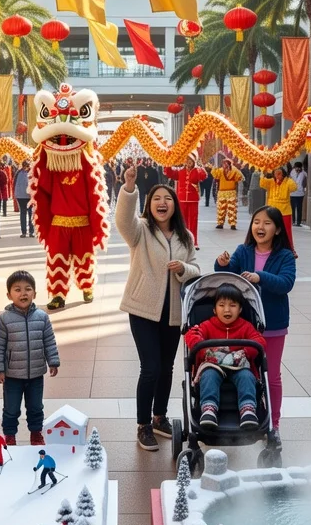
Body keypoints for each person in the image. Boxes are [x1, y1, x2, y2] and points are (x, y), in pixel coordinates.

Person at [116, 169, 200, 452]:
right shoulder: (140, 230)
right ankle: (143, 425)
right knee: (150, 368)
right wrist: (129, 189)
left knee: (166, 368)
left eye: (167, 198)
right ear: (149, 205)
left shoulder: (185, 236)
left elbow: (196, 268)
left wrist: (183, 269)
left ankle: (159, 417)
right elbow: (123, 221)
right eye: (156, 199)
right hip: (142, 309)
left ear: (175, 205)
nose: (162, 203)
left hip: (173, 313)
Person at [215, 206, 295, 434]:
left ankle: (274, 423)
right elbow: (227, 275)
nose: (260, 227)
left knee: (272, 374)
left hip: (273, 325)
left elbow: (286, 283)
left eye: (267, 223)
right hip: (244, 324)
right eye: (257, 222)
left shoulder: (285, 256)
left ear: (278, 229)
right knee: (246, 371)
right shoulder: (244, 250)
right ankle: (248, 412)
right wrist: (221, 263)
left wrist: (260, 277)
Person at [186, 282, 267, 431]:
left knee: (246, 377)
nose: (227, 309)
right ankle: (209, 409)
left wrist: (244, 352)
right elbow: (192, 336)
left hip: (239, 366)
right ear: (214, 309)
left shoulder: (246, 326)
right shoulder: (207, 325)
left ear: (240, 309)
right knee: (209, 375)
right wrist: (207, 352)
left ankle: (248, 409)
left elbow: (259, 340)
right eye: (222, 305)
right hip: (213, 365)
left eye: (233, 305)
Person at [0, 270, 60, 445]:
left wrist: (53, 361)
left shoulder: (42, 317)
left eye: (28, 289)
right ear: (9, 295)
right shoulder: (4, 320)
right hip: (12, 375)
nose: (23, 293)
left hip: (36, 373)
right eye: (17, 289)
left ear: (35, 293)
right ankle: (10, 435)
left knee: (36, 407)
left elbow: (49, 340)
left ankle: (36, 433)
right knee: (11, 408)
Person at [164, 152, 208, 247]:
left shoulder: (197, 171)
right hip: (182, 199)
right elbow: (169, 173)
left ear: (193, 162)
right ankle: (183, 241)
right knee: (182, 221)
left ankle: (193, 241)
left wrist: (199, 167)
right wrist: (168, 162)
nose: (188, 162)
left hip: (193, 200)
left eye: (190, 160)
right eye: (187, 160)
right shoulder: (180, 172)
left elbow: (204, 176)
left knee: (193, 221)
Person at [259, 167, 298, 249]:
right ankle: (271, 247)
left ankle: (289, 248)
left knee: (287, 231)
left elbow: (294, 188)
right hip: (272, 210)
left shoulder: (287, 182)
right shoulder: (271, 182)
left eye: (279, 174)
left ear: (283, 174)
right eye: (275, 174)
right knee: (271, 230)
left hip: (285, 211)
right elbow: (262, 183)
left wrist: (288, 179)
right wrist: (263, 172)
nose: (277, 176)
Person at [211, 158, 243, 229]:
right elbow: (215, 175)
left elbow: (239, 177)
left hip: (231, 192)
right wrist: (214, 167)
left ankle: (232, 224)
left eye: (226, 163)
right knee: (221, 208)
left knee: (232, 209)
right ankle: (220, 223)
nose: (225, 165)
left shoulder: (234, 170)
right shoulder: (221, 170)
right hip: (222, 192)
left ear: (229, 164)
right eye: (224, 163)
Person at [15, 160, 32, 238]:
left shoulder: (18, 173)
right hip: (27, 196)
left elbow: (14, 183)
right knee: (29, 213)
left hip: (22, 196)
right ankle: (29, 232)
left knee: (25, 214)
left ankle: (25, 232)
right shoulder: (31, 173)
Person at [289, 161, 308, 226]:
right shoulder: (292, 172)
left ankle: (298, 222)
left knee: (299, 208)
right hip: (292, 193)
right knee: (292, 208)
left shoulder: (304, 173)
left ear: (301, 168)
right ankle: (293, 221)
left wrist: (304, 187)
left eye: (299, 168)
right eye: (296, 168)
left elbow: (306, 182)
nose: (297, 169)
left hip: (300, 193)